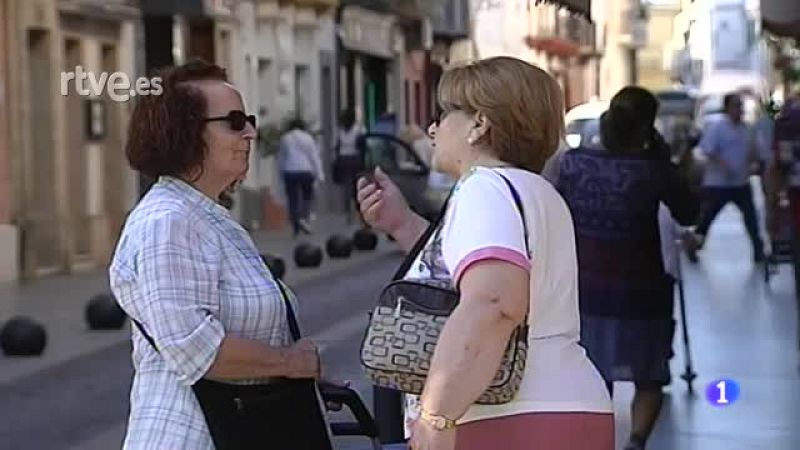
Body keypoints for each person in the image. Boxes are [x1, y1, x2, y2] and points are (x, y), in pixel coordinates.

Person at [357, 56, 613, 450]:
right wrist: (403, 224)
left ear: (479, 124)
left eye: (444, 114)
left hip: (508, 416)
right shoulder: (534, 191)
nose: (433, 128)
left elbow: (494, 301)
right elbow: (469, 270)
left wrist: (437, 414)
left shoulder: (484, 188)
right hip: (566, 404)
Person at [110, 60, 322, 449]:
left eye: (249, 121)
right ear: (186, 133)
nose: (251, 133)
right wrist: (290, 362)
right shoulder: (166, 222)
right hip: (190, 436)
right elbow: (195, 349)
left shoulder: (207, 217)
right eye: (235, 122)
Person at [553, 87, 699, 450]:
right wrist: (666, 159)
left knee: (591, 375)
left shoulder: (573, 164)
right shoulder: (654, 169)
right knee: (649, 376)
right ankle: (635, 442)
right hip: (643, 290)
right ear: (648, 126)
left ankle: (596, 440)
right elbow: (688, 212)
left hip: (585, 289)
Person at [692, 92, 765, 262]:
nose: (740, 109)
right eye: (736, 106)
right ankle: (694, 244)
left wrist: (753, 164)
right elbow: (707, 150)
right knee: (706, 219)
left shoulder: (747, 129)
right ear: (727, 108)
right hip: (718, 184)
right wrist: (723, 165)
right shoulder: (717, 128)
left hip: (741, 183)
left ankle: (758, 251)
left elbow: (754, 152)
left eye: (741, 106)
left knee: (751, 219)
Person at [277, 118, 325, 235]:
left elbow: (281, 157)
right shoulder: (308, 138)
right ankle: (304, 217)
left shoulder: (285, 138)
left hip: (290, 171)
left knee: (292, 198)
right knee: (307, 196)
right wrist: (320, 174)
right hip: (306, 171)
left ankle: (295, 224)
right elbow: (314, 157)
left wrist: (281, 173)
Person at [332, 109, 365, 222]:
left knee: (348, 186)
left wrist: (336, 159)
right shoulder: (357, 130)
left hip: (345, 160)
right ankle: (353, 209)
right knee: (353, 186)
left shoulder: (342, 131)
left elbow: (337, 147)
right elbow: (362, 147)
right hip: (352, 160)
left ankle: (350, 210)